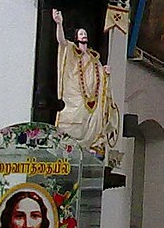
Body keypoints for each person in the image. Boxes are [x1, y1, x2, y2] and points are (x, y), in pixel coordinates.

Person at [52, 9, 121, 164]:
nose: (84, 36)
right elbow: (61, 41)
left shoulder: (94, 58)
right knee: (73, 118)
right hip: (76, 96)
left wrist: (106, 74)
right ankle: (69, 147)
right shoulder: (71, 50)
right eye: (81, 34)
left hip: (93, 100)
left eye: (85, 34)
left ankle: (91, 147)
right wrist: (59, 23)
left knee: (94, 121)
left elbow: (100, 79)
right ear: (76, 37)